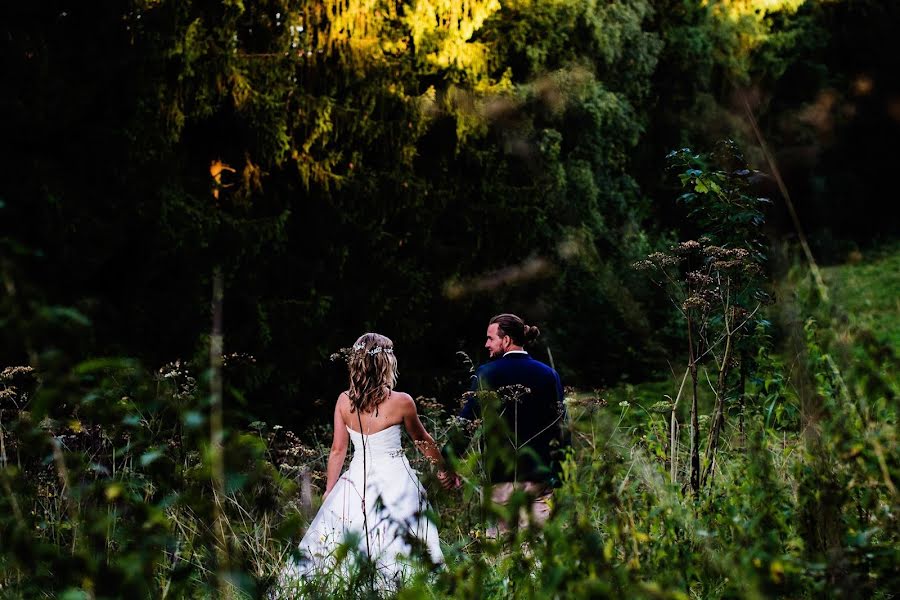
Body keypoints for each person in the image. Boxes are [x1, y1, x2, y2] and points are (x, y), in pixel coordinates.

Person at [284, 333, 452, 588]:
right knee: (402, 534)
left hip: (356, 480)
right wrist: (443, 469)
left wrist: (331, 489)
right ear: (387, 362)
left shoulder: (344, 401)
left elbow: (338, 450)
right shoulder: (402, 401)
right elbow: (422, 440)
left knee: (349, 536)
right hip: (397, 480)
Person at [458, 313, 569, 533]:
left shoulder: (486, 373)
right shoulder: (549, 374)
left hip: (501, 479)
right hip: (539, 477)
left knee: (501, 552)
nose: (486, 344)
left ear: (506, 340)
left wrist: (448, 462)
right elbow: (561, 425)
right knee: (538, 549)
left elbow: (465, 422)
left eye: (491, 338)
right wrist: (562, 471)